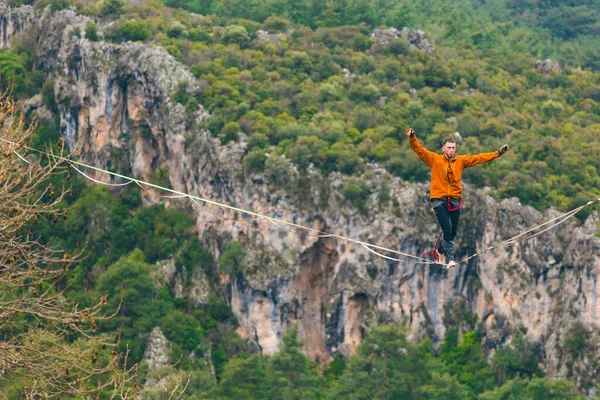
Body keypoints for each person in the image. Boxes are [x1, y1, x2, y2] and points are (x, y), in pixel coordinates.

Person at [405, 128, 509, 269]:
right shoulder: (434, 159)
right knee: (447, 230)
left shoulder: (460, 161)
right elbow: (419, 150)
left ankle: (440, 251)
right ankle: (451, 258)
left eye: (453, 148)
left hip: (454, 200)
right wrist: (412, 137)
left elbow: (478, 158)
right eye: (449, 148)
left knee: (452, 232)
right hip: (439, 199)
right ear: (443, 149)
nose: (451, 150)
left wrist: (497, 153)